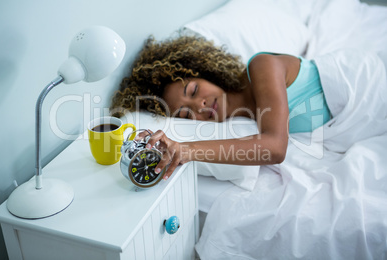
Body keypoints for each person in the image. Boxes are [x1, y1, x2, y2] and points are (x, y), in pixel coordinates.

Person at [110, 34, 331, 179]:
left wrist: (186, 149)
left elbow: (275, 148)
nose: (200, 105)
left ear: (205, 73)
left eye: (194, 90)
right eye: (186, 115)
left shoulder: (261, 67)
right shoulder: (241, 122)